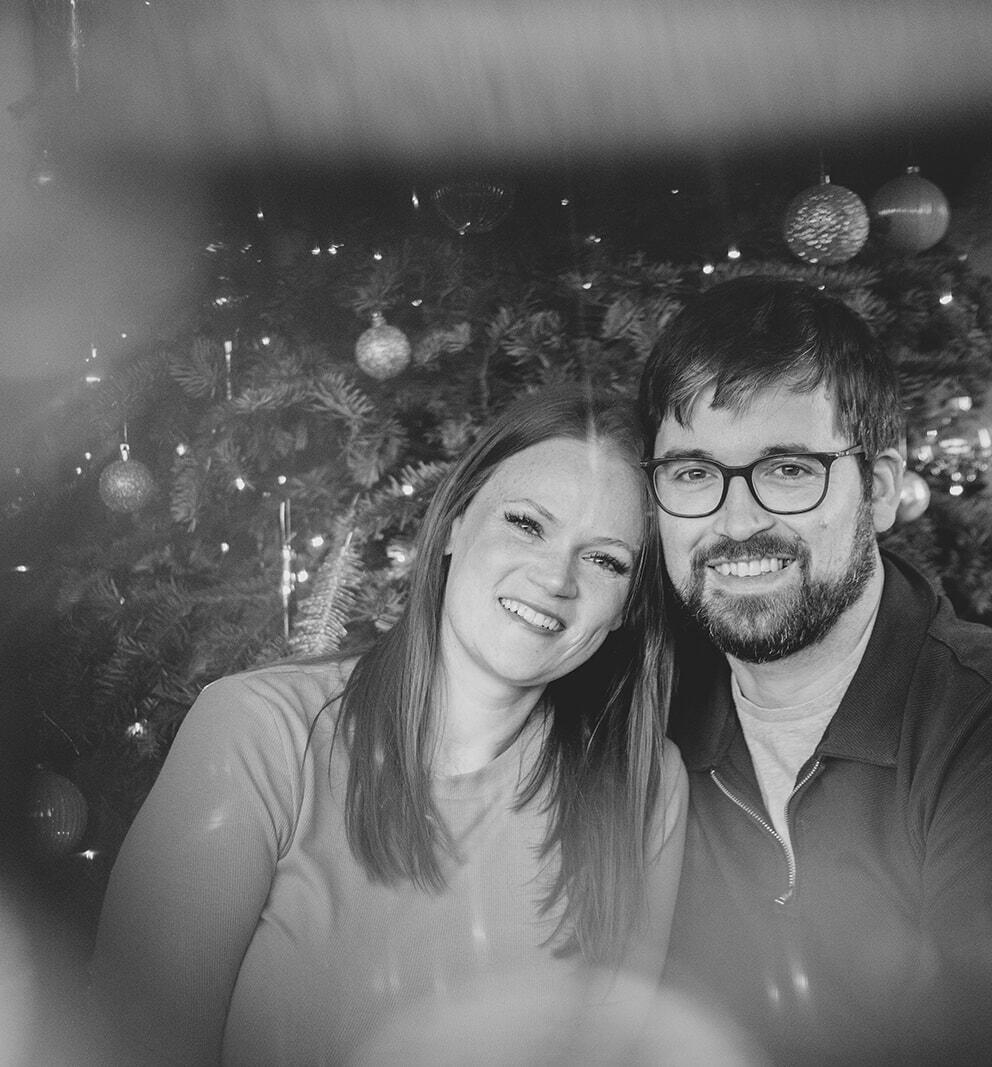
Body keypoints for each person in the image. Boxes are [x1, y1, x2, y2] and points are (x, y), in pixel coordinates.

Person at [637, 276, 992, 1065]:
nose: (737, 522)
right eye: (694, 473)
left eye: (789, 470)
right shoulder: (653, 720)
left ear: (876, 490)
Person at [90, 384, 688, 1065]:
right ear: (456, 523)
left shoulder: (646, 782)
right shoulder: (258, 730)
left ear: (625, 609)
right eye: (526, 523)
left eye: (605, 559)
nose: (556, 577)